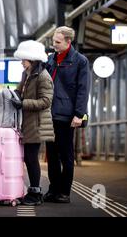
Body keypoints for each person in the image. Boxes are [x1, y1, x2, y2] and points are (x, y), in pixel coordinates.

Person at [44, 26, 90, 203]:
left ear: (68, 42)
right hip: (50, 114)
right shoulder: (51, 59)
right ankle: (53, 189)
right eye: (53, 41)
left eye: (57, 42)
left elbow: (83, 89)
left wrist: (79, 114)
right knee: (52, 155)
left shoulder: (80, 61)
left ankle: (64, 192)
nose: (54, 45)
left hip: (67, 116)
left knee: (66, 155)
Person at [11, 40, 55, 206]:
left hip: (37, 124)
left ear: (32, 59)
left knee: (31, 158)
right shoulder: (27, 74)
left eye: (24, 59)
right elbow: (19, 90)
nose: (22, 62)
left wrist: (23, 103)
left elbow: (45, 102)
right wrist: (13, 95)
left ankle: (35, 193)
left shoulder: (43, 77)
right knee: (28, 158)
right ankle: (33, 192)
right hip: (27, 122)